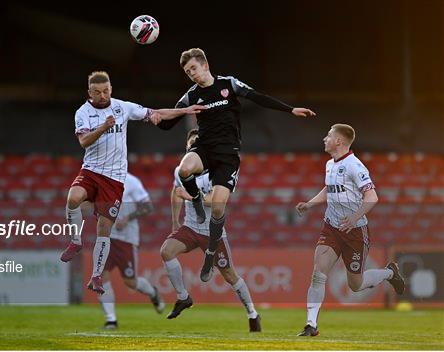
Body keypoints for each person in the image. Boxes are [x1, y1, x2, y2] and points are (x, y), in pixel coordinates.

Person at [156, 48, 316, 282]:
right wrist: (177, 111)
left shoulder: (228, 84)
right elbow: (164, 126)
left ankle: (211, 251)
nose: (191, 74)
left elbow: (256, 96)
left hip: (228, 154)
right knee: (184, 169)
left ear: (205, 65)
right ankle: (197, 201)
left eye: (193, 68)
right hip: (205, 149)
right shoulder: (190, 96)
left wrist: (290, 109)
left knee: (219, 209)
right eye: (187, 71)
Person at [60, 71, 204, 294]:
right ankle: (75, 241)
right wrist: (102, 128)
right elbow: (83, 141)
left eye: (106, 90)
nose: (103, 95)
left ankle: (96, 277)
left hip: (114, 178)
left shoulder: (122, 107)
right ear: (89, 93)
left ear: (111, 89)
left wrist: (184, 111)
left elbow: (155, 113)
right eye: (97, 92)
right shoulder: (83, 113)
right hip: (91, 170)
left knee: (104, 229)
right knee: (73, 197)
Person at [295, 124, 405, 337]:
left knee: (356, 284)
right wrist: (310, 204)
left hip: (355, 232)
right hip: (332, 228)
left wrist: (354, 218)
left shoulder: (355, 166)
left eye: (328, 135)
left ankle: (390, 273)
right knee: (318, 274)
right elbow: (329, 188)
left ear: (339, 141)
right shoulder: (329, 164)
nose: (324, 138)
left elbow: (372, 197)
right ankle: (311, 325)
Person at [159, 129, 261, 332]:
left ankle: (252, 313)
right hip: (190, 226)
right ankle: (183, 297)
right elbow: (175, 191)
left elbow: (213, 200)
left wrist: (188, 196)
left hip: (212, 233)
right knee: (166, 251)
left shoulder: (218, 170)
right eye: (191, 145)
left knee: (230, 275)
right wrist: (174, 221)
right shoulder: (183, 169)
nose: (194, 148)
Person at [97, 172, 165, 329]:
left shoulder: (132, 181)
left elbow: (148, 207)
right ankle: (111, 320)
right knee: (101, 276)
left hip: (126, 239)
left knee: (130, 282)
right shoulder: (102, 179)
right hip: (106, 237)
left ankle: (152, 293)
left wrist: (128, 218)